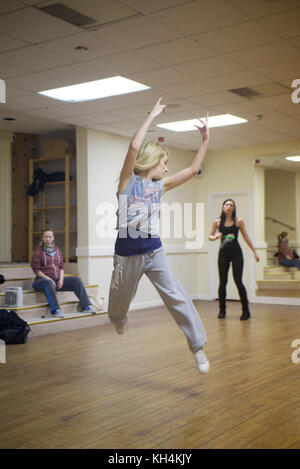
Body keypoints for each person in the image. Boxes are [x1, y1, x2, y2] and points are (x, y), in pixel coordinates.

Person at [108, 96, 210, 374]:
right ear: (152, 160)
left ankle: (198, 347)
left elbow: (191, 171)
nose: (167, 167)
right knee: (117, 303)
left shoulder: (160, 186)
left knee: (177, 296)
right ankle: (119, 319)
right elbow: (132, 146)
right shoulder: (127, 182)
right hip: (125, 256)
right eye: (165, 161)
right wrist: (151, 116)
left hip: (154, 251)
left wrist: (204, 142)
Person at [209, 199, 259, 320]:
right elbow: (210, 236)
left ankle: (246, 311)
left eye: (231, 205)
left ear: (233, 208)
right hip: (223, 255)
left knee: (238, 281)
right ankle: (222, 310)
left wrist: (254, 251)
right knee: (223, 283)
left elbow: (246, 236)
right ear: (223, 207)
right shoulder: (217, 222)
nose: (229, 207)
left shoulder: (238, 221)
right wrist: (215, 236)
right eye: (227, 205)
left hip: (236, 254)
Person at [31, 229, 96, 318]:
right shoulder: (38, 251)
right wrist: (49, 279)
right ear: (42, 238)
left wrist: (61, 280)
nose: (48, 239)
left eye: (50, 237)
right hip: (41, 281)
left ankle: (87, 306)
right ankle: (56, 310)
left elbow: (61, 267)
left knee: (76, 280)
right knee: (49, 283)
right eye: (45, 237)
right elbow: (37, 270)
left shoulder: (57, 250)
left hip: (56, 281)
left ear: (53, 238)